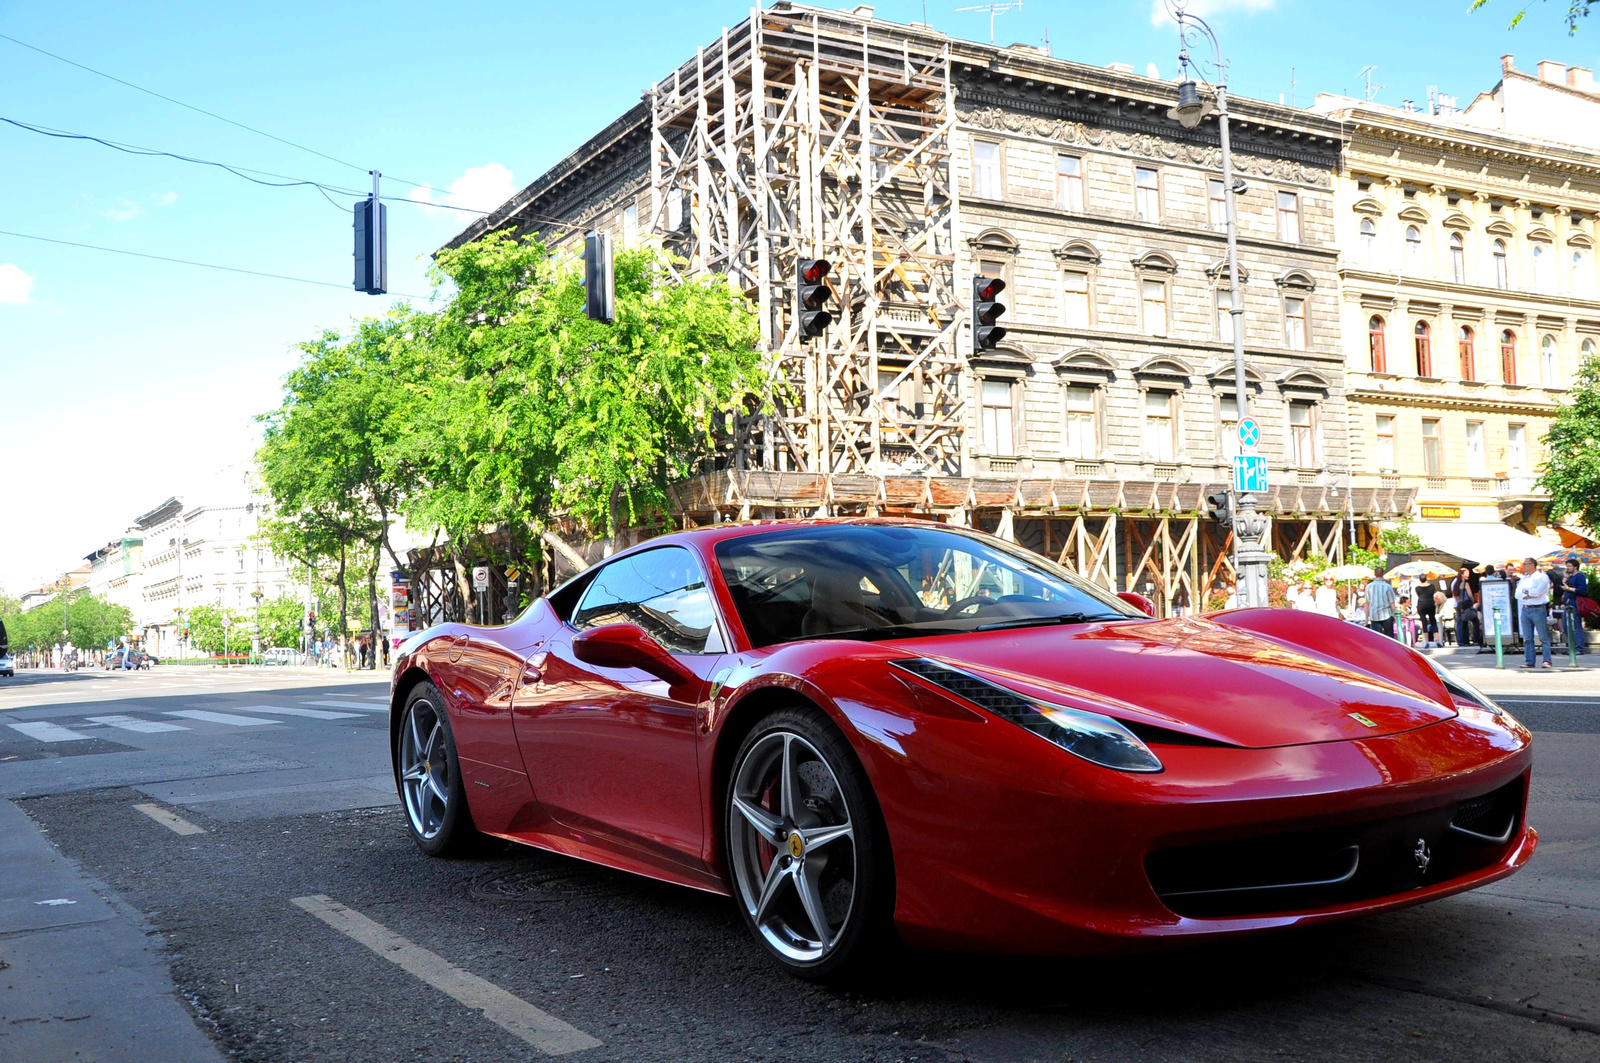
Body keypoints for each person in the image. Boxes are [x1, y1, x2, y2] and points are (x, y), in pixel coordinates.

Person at [1516, 556, 1554, 669]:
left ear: (1532, 565)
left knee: (1543, 637)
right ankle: (1529, 661)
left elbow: (1538, 592)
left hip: (1538, 608)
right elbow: (1517, 594)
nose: (1523, 566)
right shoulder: (1524, 579)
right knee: (1527, 638)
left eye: (1525, 564)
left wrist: (1528, 593)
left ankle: (1547, 660)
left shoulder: (1542, 577)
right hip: (1525, 608)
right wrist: (1528, 594)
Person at [1451, 565, 1481, 648]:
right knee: (1475, 621)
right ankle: (1476, 640)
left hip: (1460, 606)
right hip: (1467, 605)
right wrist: (1473, 602)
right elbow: (1470, 595)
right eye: (1467, 574)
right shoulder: (1466, 584)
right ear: (1462, 574)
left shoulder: (1455, 584)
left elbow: (1456, 596)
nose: (1468, 575)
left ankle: (1462, 642)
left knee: (1462, 624)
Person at [1365, 566, 1398, 639]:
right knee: (1389, 637)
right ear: (1383, 573)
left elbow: (1367, 604)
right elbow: (1392, 603)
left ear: (1374, 574)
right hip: (1387, 614)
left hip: (1374, 615)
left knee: (1377, 638)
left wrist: (1366, 618)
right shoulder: (1387, 586)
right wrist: (1395, 616)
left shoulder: (1368, 587)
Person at [1564, 560, 1589, 655]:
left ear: (1575, 567)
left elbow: (1583, 590)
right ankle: (1572, 647)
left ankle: (1579, 648)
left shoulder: (1580, 576)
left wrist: (1569, 589)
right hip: (1568, 603)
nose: (1567, 568)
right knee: (1566, 627)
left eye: (1569, 566)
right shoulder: (1570, 577)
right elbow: (1565, 585)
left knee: (1576, 626)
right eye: (1567, 566)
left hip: (1575, 604)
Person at [1415, 574, 1440, 648]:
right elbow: (1433, 594)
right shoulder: (1432, 586)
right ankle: (1438, 641)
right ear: (1426, 578)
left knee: (1424, 622)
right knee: (1433, 621)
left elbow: (1419, 596)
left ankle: (1426, 642)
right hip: (1430, 604)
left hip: (1421, 605)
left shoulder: (1417, 588)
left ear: (1420, 579)